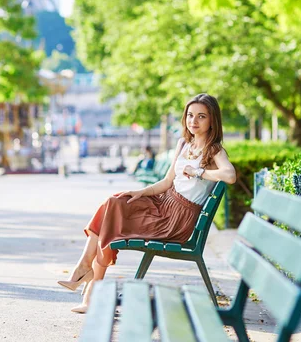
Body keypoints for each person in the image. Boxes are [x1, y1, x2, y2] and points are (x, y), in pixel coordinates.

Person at [57, 93, 237, 313]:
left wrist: (199, 171)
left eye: (201, 116)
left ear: (212, 121)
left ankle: (89, 282)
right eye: (190, 115)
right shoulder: (183, 144)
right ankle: (86, 270)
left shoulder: (214, 150)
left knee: (111, 216)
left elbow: (230, 175)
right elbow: (167, 181)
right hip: (163, 204)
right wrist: (140, 192)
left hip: (175, 220)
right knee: (115, 202)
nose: (194, 121)